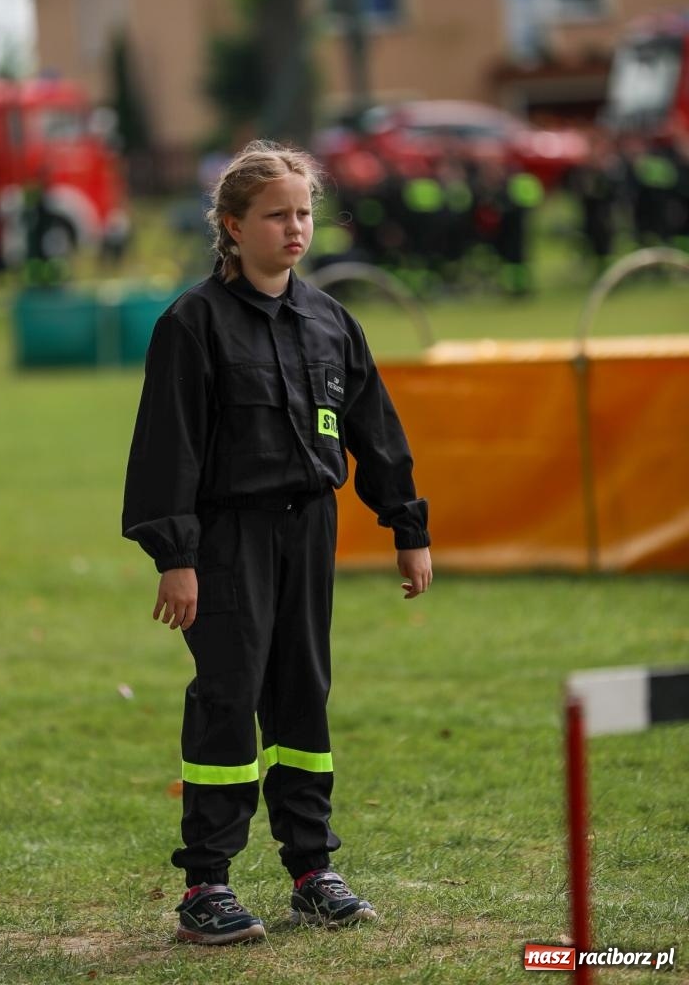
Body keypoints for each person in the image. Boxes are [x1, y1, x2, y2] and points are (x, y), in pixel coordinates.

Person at [122, 140, 432, 946]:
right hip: (227, 538)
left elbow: (378, 432)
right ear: (232, 225)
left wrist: (407, 526)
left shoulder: (331, 321)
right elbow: (168, 449)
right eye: (276, 215)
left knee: (303, 692)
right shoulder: (191, 324)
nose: (295, 228)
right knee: (229, 695)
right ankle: (207, 887)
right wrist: (176, 556)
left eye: (304, 213)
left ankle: (311, 869)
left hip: (310, 530)